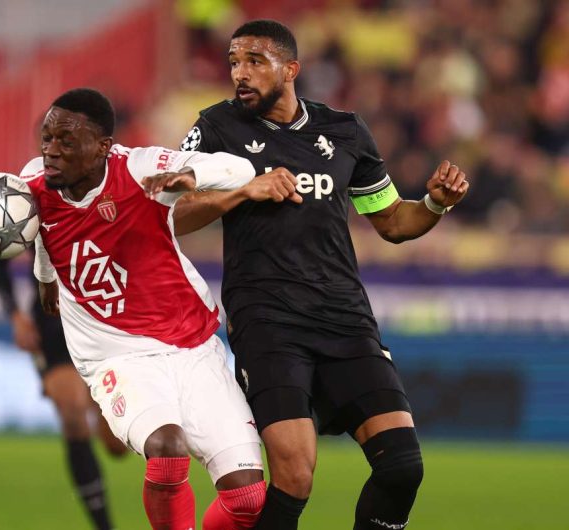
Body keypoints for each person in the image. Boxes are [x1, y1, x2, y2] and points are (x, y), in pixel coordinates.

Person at [175, 19, 469, 530]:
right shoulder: (216, 127)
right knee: (294, 476)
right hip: (268, 321)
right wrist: (243, 191)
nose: (240, 73)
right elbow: (173, 213)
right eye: (234, 62)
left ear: (291, 69)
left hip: (344, 318)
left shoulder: (345, 131)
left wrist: (434, 204)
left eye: (254, 62)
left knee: (402, 467)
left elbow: (393, 222)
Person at [22, 87, 268, 530]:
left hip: (193, 345)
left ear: (103, 147)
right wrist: (45, 278)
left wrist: (190, 175)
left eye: (66, 141)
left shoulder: (140, 168)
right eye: (47, 138)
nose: (51, 151)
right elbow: (41, 230)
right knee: (167, 451)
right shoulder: (34, 185)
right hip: (116, 355)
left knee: (248, 498)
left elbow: (242, 168)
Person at [0, 255, 127, 530]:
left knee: (117, 445)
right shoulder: (33, 222)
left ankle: (99, 403)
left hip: (103, 312)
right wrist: (15, 315)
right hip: (53, 319)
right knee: (72, 415)